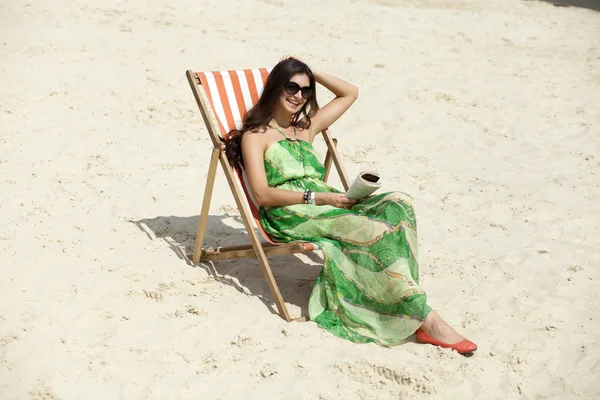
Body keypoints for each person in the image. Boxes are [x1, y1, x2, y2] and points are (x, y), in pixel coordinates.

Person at [224, 57, 477, 353]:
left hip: (326, 203)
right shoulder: (255, 137)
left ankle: (402, 296)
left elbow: (350, 92)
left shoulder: (305, 128)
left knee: (400, 204)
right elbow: (263, 196)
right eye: (291, 86)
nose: (298, 95)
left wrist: (309, 71)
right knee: (369, 228)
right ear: (276, 88)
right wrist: (318, 198)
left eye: (305, 91)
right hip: (291, 213)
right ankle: (426, 320)